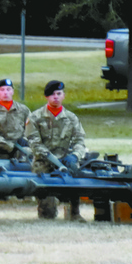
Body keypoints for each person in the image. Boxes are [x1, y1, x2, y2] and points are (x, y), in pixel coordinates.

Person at [25, 80, 88, 221]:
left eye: (59, 93)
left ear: (63, 96)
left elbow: (80, 140)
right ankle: (46, 208)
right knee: (48, 213)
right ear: (46, 97)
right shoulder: (35, 117)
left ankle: (74, 212)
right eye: (52, 94)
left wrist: (75, 156)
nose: (56, 97)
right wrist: (51, 158)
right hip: (44, 163)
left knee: (74, 178)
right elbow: (34, 143)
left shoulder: (71, 118)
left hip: (66, 162)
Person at [0, 78, 32, 160]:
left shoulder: (23, 110)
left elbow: (32, 131)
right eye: (2, 90)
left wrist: (25, 142)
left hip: (22, 153)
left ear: (13, 91)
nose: (5, 92)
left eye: (8, 89)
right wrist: (10, 146)